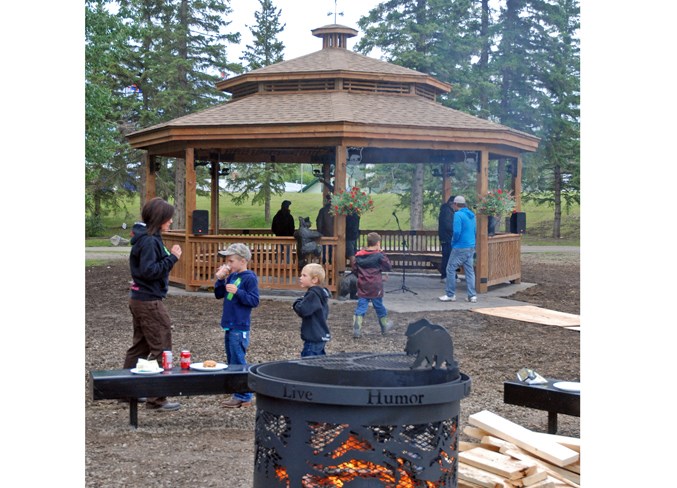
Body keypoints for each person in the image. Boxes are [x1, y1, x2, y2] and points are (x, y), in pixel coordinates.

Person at [123, 197, 182, 411]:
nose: (171, 221)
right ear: (160, 219)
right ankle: (157, 398)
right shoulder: (149, 241)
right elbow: (149, 271)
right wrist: (173, 258)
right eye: (168, 218)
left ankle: (126, 390)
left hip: (140, 299)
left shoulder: (147, 238)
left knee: (140, 346)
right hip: (149, 301)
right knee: (162, 347)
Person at [215, 243, 260, 407]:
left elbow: (254, 300)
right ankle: (238, 393)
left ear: (242, 261)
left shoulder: (249, 277)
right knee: (232, 360)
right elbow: (218, 295)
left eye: (231, 260)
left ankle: (244, 395)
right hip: (229, 325)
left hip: (239, 327)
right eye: (227, 261)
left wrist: (238, 292)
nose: (228, 264)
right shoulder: (232, 276)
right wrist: (220, 280)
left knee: (238, 361)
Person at [352, 232, 395, 338]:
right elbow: (388, 266)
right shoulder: (379, 255)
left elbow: (354, 269)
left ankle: (357, 328)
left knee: (361, 306)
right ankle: (384, 327)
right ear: (378, 243)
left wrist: (361, 277)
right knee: (379, 306)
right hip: (376, 285)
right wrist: (383, 253)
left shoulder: (359, 255)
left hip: (363, 284)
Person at [439, 195, 478, 303]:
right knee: (469, 271)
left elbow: (456, 231)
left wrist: (453, 241)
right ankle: (472, 296)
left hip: (460, 246)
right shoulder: (472, 215)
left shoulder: (458, 215)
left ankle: (450, 294)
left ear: (455, 204)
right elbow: (475, 230)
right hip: (471, 246)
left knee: (450, 269)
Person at [292, 263, 332, 357]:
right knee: (318, 363)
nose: (300, 277)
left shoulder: (313, 294)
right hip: (319, 336)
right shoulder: (320, 294)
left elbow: (303, 310)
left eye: (304, 275)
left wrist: (297, 302)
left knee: (308, 366)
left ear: (314, 279)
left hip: (313, 338)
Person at [437, 195, 457, 283]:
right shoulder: (447, 211)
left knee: (450, 257)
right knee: (448, 257)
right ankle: (445, 276)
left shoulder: (448, 210)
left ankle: (452, 276)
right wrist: (456, 230)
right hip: (447, 238)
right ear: (452, 203)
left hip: (447, 237)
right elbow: (448, 225)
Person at [315, 194, 334, 264]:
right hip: (334, 234)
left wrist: (320, 232)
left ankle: (323, 262)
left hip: (325, 234)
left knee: (324, 249)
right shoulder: (336, 211)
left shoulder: (323, 210)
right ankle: (331, 262)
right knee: (332, 250)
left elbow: (319, 222)